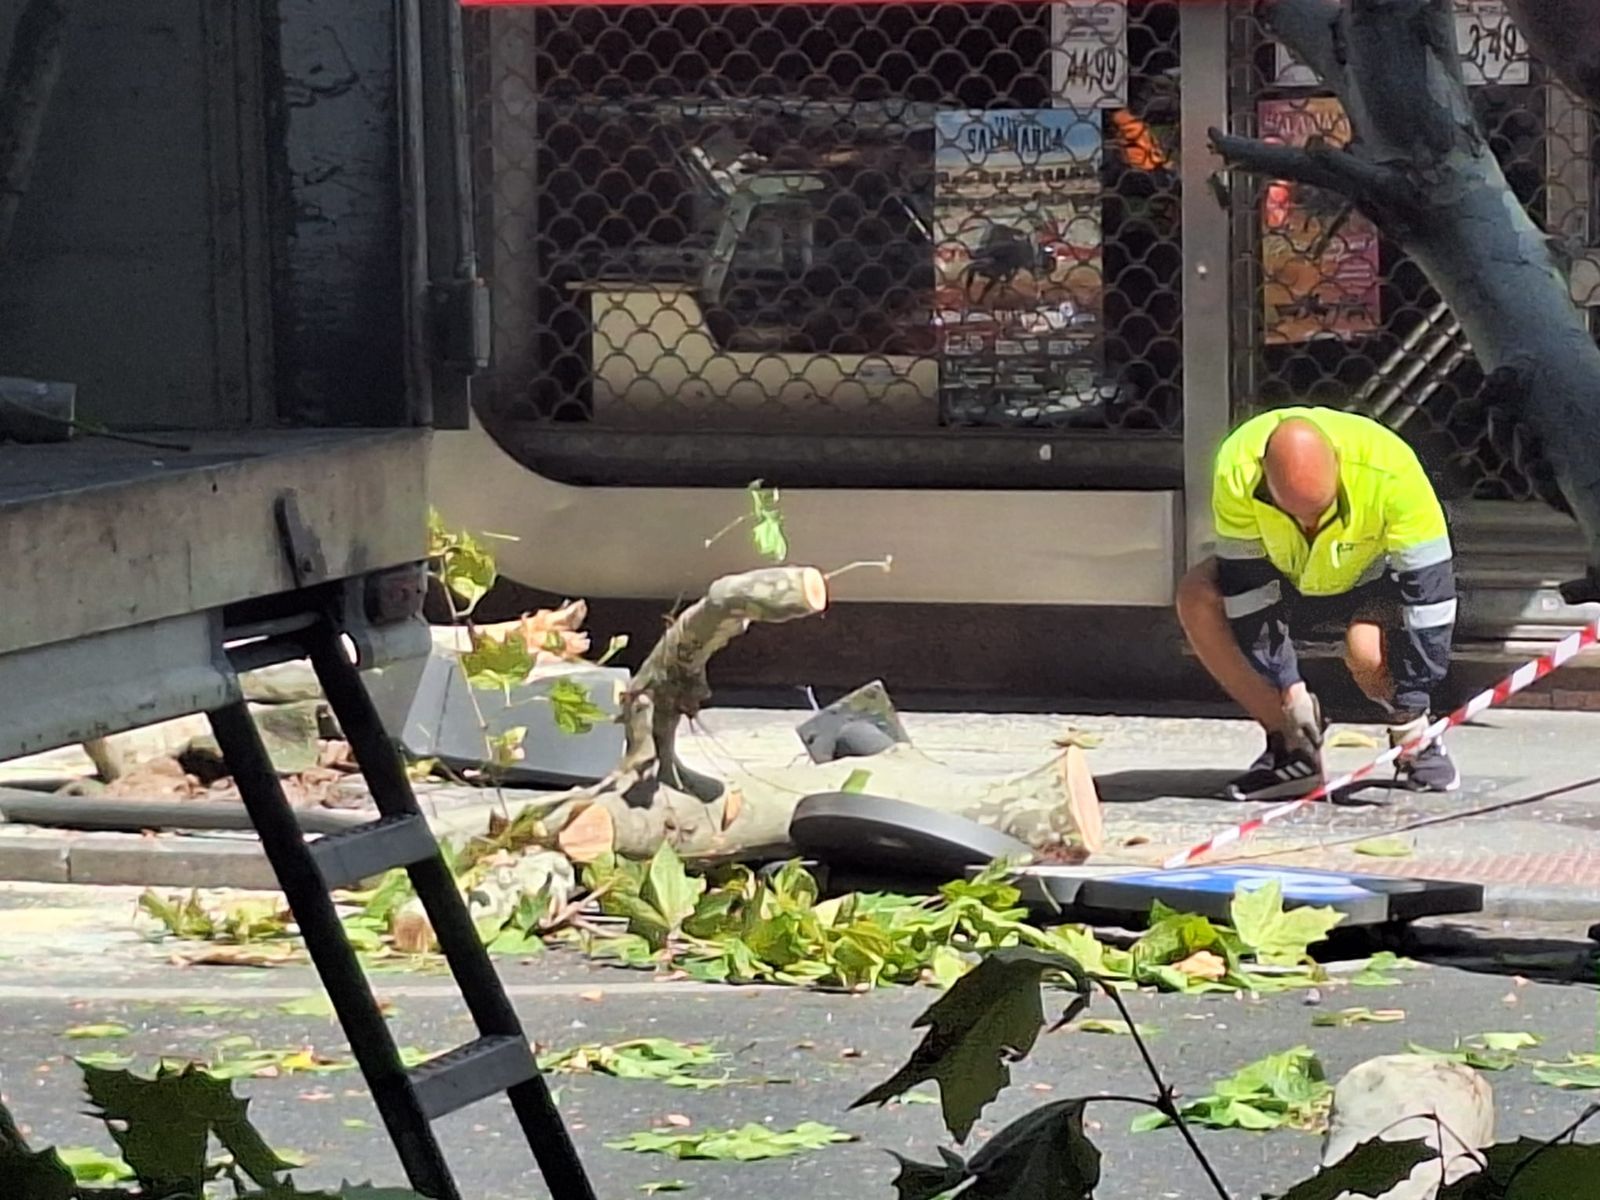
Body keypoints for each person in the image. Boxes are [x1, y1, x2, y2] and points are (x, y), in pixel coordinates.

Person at [1177, 406, 1460, 801]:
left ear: (1340, 466)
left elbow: (1429, 601)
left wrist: (1413, 701)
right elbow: (1248, 588)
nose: (1309, 527)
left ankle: (1415, 738)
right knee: (1197, 595)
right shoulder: (1236, 469)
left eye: (1320, 513)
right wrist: (1287, 686)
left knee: (1365, 647)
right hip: (1286, 577)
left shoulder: (1392, 471)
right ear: (1264, 478)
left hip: (1371, 580)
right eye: (1294, 516)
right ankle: (1292, 746)